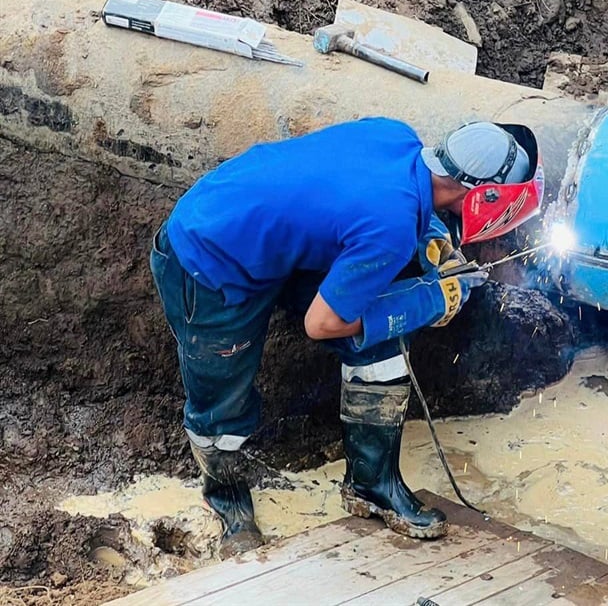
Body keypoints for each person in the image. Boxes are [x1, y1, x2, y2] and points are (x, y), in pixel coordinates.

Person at [149, 118, 542, 556]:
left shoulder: (397, 136)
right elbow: (321, 324)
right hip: (208, 259)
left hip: (273, 241)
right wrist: (430, 300)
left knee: (380, 349)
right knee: (220, 396)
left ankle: (371, 485)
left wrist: (434, 240)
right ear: (481, 194)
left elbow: (386, 203)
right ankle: (224, 497)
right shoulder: (389, 229)